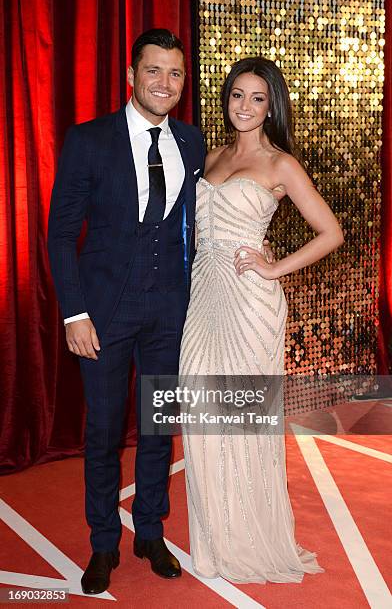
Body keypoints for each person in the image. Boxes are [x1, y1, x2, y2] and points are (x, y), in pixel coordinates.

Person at [47, 29, 206, 594]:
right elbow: (61, 234)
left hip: (170, 311)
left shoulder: (192, 140)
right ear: (131, 76)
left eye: (176, 74)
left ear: (184, 83)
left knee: (160, 427)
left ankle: (150, 533)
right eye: (154, 71)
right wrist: (74, 314)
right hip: (104, 313)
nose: (165, 83)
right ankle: (101, 544)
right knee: (104, 432)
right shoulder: (90, 140)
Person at [179, 56, 344, 583]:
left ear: (271, 105)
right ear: (225, 100)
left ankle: (249, 540)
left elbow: (331, 233)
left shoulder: (280, 165)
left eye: (256, 98)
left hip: (250, 303)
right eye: (236, 95)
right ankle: (217, 534)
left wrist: (273, 267)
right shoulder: (212, 154)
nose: (244, 106)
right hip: (203, 297)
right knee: (202, 415)